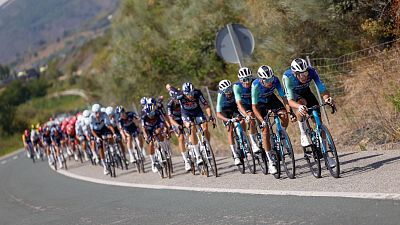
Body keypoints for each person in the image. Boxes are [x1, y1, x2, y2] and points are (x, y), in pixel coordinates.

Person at [282, 58, 336, 168]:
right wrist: (298, 107)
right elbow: (290, 101)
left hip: (308, 93)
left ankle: (326, 154)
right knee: (302, 105)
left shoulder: (312, 71)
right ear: (295, 73)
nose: (304, 76)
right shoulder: (287, 77)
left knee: (318, 123)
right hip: (295, 95)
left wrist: (327, 99)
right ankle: (303, 132)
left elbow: (322, 88)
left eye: (305, 73)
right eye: (301, 74)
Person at [252, 65, 294, 174]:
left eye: (271, 78)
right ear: (261, 79)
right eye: (267, 80)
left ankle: (283, 135)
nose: (270, 82)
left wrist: (289, 111)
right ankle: (270, 161)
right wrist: (262, 121)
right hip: (260, 104)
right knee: (265, 131)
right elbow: (254, 107)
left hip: (271, 99)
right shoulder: (255, 85)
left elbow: (283, 97)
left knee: (284, 115)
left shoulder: (275, 80)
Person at [166, 82, 214, 165]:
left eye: (191, 93)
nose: (190, 96)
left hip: (198, 112)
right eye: (188, 94)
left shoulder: (197, 92)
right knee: (192, 128)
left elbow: (206, 105)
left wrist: (210, 116)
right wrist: (168, 87)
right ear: (184, 93)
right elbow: (170, 88)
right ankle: (198, 155)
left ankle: (207, 145)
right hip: (186, 114)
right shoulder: (179, 95)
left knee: (205, 126)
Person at [233, 67, 261, 153]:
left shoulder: (255, 82)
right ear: (240, 80)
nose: (247, 82)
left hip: (255, 102)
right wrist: (246, 116)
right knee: (251, 118)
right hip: (244, 106)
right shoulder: (237, 86)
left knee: (262, 119)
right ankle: (253, 143)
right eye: (244, 79)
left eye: (249, 78)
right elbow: (239, 104)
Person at [216, 80, 242, 166]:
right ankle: (235, 154)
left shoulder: (234, 91)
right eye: (227, 91)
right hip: (224, 112)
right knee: (230, 129)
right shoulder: (220, 96)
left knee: (241, 120)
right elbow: (218, 114)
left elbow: (240, 103)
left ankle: (243, 139)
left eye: (230, 89)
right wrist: (227, 120)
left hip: (234, 109)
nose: (229, 92)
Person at [141, 99, 169, 173]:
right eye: (150, 115)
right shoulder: (143, 116)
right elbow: (143, 128)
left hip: (157, 126)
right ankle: (153, 162)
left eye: (153, 114)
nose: (152, 116)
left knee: (160, 135)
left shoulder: (157, 112)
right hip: (149, 129)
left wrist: (165, 128)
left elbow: (163, 122)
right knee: (151, 144)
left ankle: (163, 150)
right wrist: (146, 135)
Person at [166, 89, 191, 171]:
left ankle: (192, 145)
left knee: (191, 129)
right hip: (175, 122)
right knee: (181, 138)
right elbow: (170, 119)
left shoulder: (182, 100)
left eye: (178, 98)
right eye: (176, 99)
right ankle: (186, 160)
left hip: (184, 118)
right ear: (172, 98)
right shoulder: (170, 105)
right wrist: (177, 126)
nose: (178, 100)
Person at [89, 103, 118, 175]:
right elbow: (92, 130)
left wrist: (114, 133)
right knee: (100, 146)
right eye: (95, 113)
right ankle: (105, 166)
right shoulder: (91, 117)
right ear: (93, 113)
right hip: (96, 132)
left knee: (109, 136)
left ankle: (112, 148)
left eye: (98, 112)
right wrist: (97, 138)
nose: (97, 114)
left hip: (103, 129)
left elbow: (109, 125)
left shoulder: (104, 114)